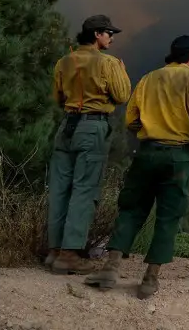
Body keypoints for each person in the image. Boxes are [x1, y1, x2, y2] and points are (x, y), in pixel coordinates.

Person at [84, 35, 189, 299]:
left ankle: (110, 270)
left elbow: (131, 118)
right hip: (178, 156)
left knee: (132, 208)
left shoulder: (148, 79)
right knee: (168, 216)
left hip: (146, 153)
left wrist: (147, 133)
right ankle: (149, 279)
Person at [46, 14, 130, 274]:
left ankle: (54, 251)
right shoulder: (109, 63)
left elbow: (58, 98)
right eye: (108, 33)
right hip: (93, 128)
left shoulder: (64, 61)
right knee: (84, 190)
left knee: (60, 189)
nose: (112, 37)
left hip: (66, 127)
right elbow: (122, 95)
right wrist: (122, 72)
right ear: (97, 34)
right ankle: (70, 254)